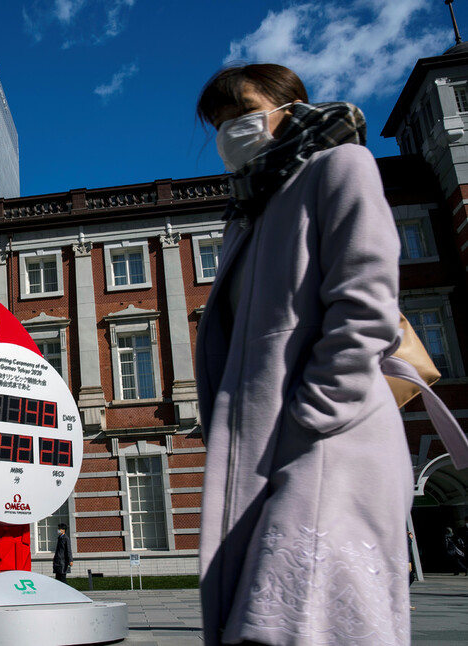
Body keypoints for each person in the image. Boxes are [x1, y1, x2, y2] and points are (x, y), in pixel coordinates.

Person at [194, 63, 413, 645]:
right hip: (270, 443)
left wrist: (313, 415)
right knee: (273, 619)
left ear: (287, 108)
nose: (229, 131)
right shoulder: (246, 215)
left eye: (241, 113)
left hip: (330, 440)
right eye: (218, 123)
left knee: (293, 619)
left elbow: (366, 304)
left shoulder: (340, 166)